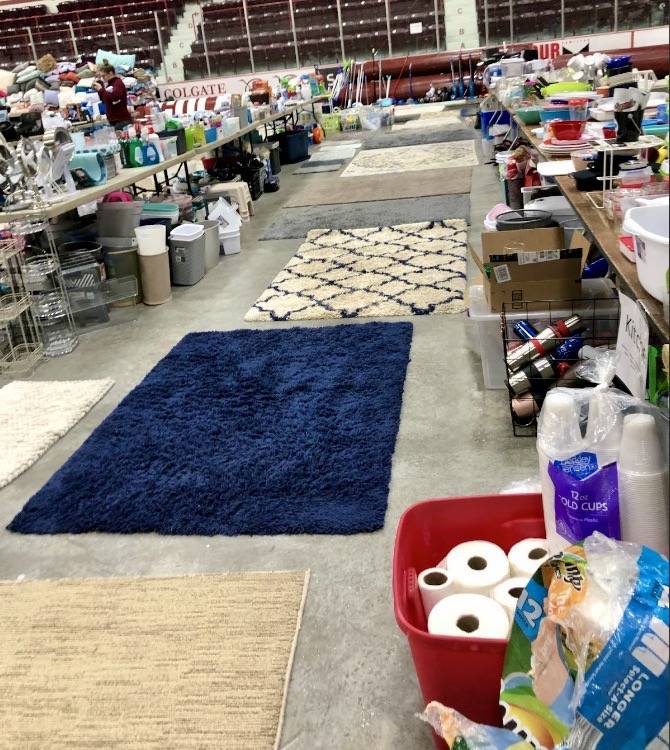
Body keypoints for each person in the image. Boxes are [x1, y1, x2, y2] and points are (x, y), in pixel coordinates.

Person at [93, 63, 133, 130]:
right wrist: (100, 89)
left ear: (110, 73)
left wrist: (101, 90)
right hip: (115, 121)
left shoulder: (117, 83)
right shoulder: (109, 85)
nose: (103, 78)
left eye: (104, 76)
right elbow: (105, 99)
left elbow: (115, 97)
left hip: (122, 121)